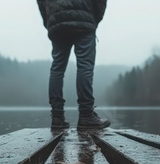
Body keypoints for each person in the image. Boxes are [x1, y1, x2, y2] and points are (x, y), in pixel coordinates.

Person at [37, 0, 110, 130]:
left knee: (57, 69)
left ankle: (57, 118)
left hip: (57, 20)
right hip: (84, 19)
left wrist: (50, 21)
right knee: (85, 67)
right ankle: (86, 115)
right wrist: (94, 19)